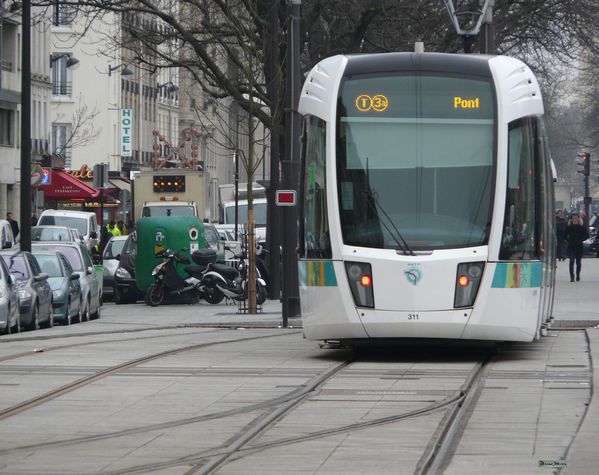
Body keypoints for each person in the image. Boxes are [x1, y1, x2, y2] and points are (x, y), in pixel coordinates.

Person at [564, 212, 588, 282]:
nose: (575, 219)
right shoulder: (569, 227)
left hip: (579, 247)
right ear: (571, 219)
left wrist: (581, 240)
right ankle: (572, 276)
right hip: (571, 246)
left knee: (578, 262)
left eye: (576, 218)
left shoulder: (581, 227)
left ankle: (578, 274)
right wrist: (569, 240)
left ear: (578, 219)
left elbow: (586, 236)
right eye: (573, 218)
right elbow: (564, 236)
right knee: (571, 261)